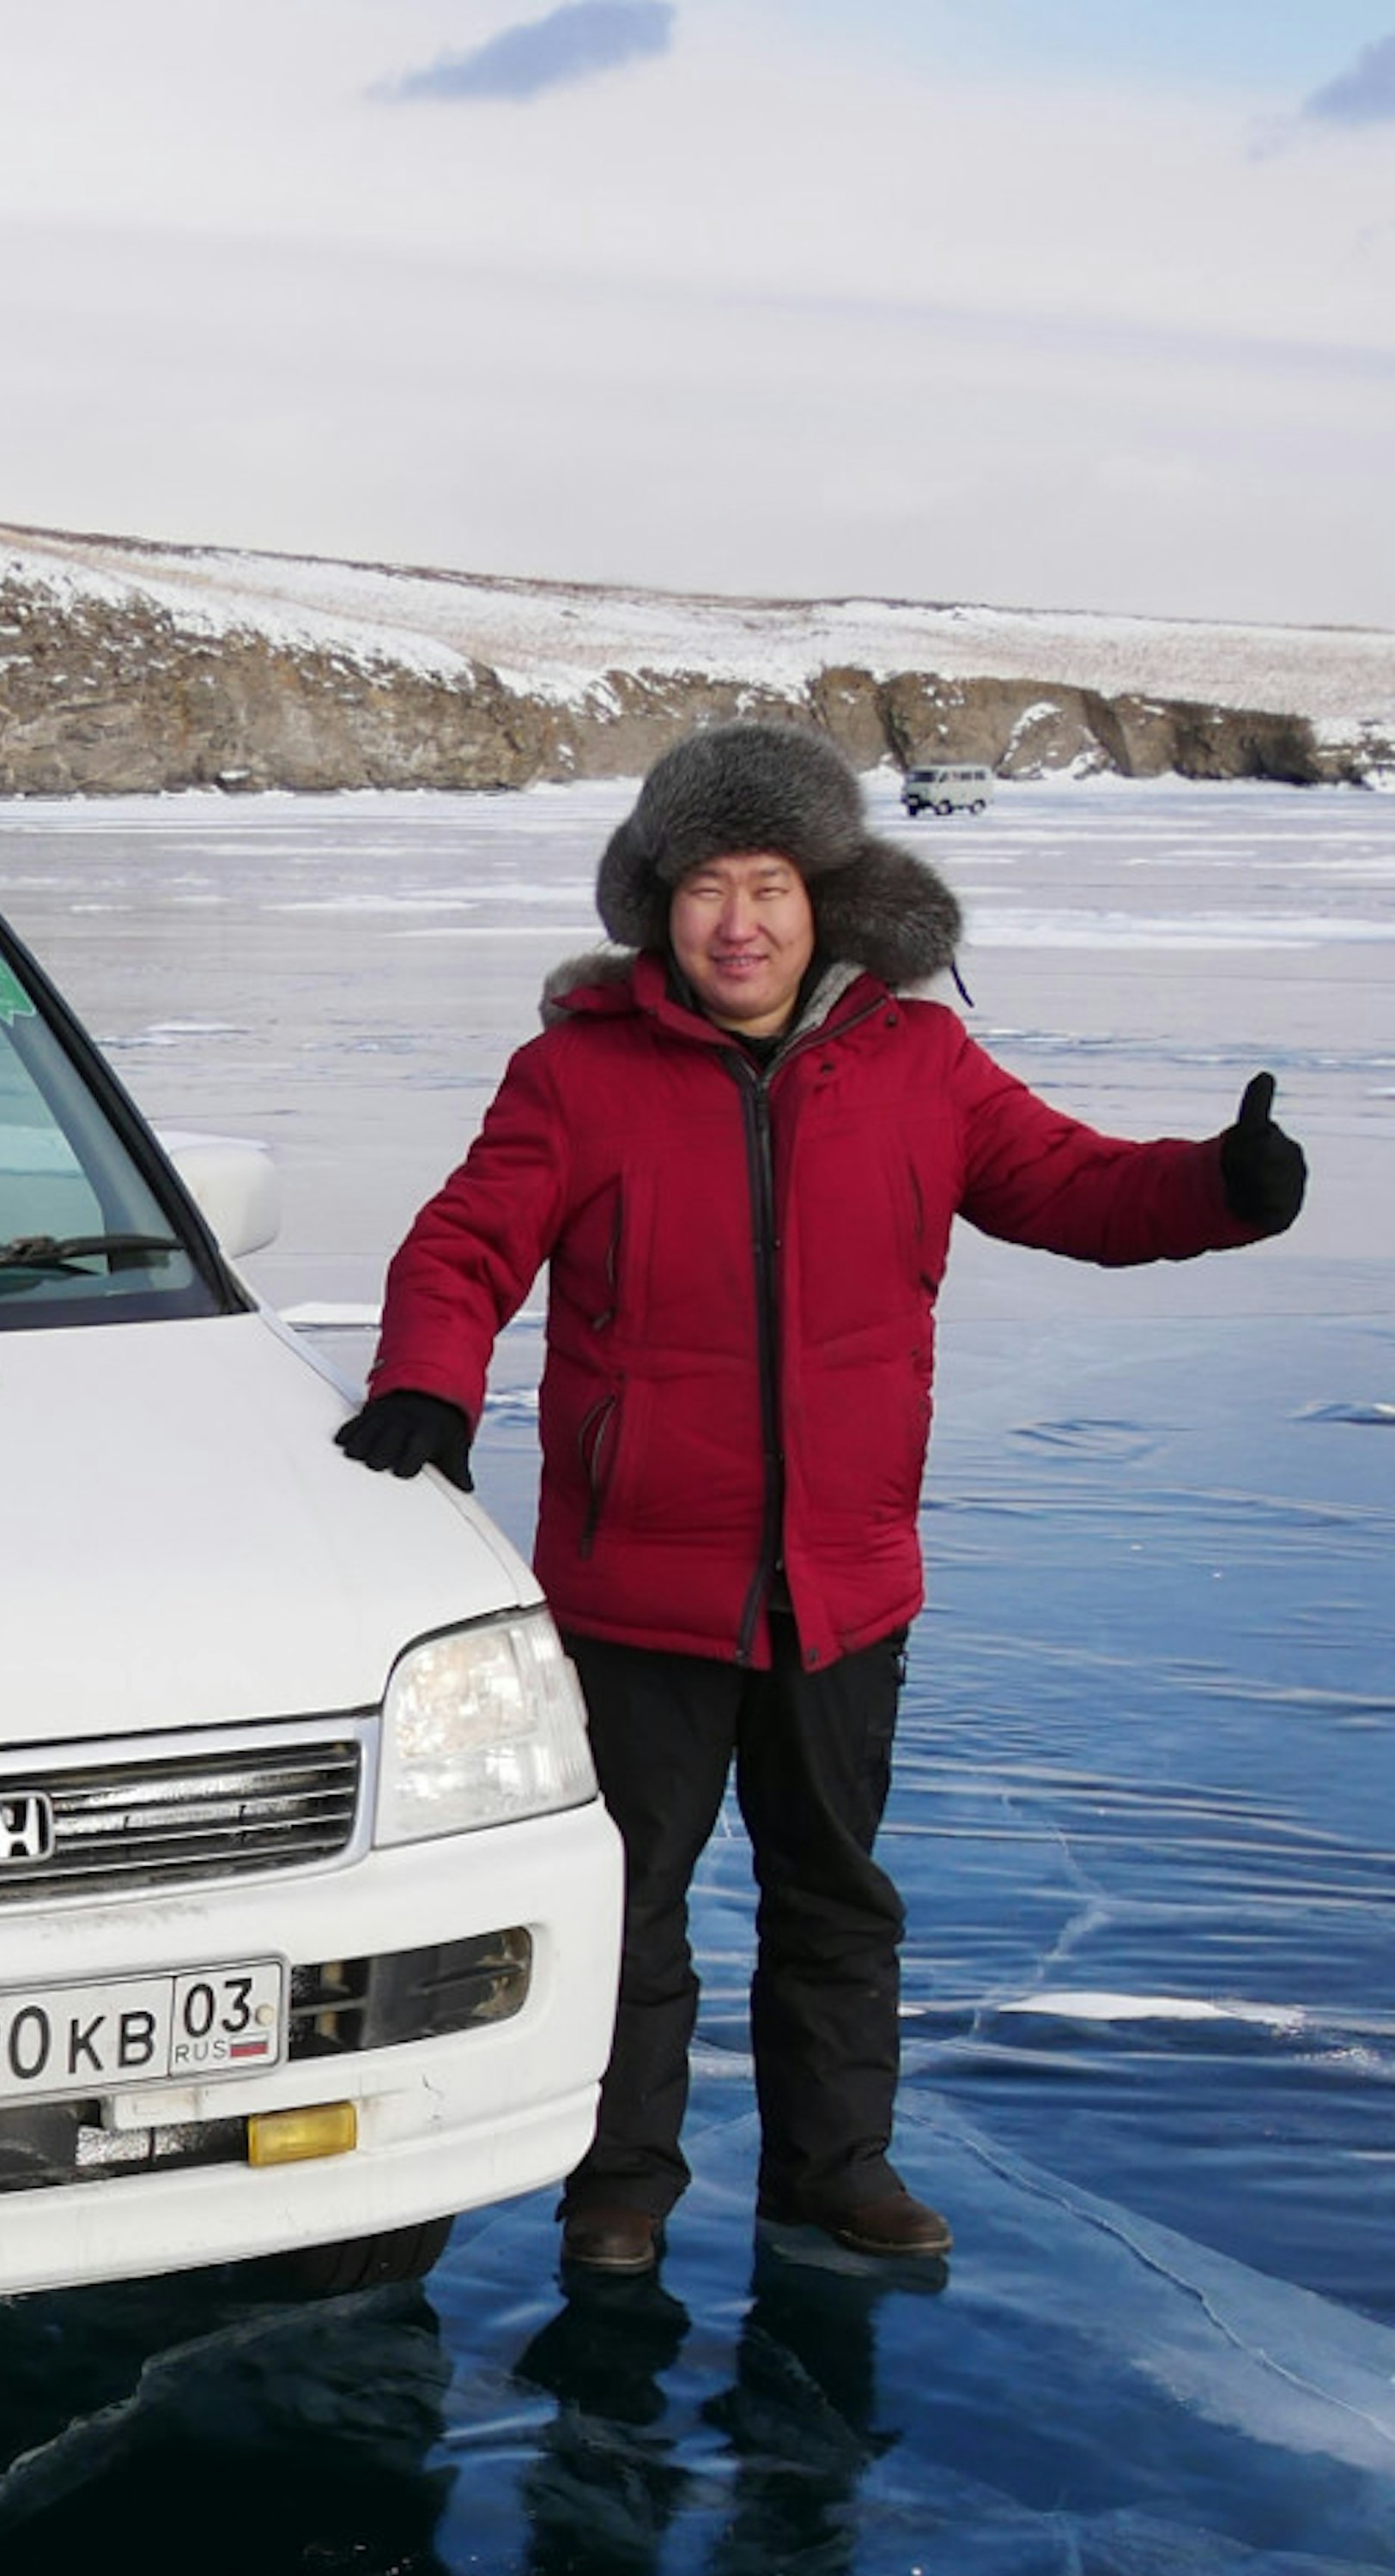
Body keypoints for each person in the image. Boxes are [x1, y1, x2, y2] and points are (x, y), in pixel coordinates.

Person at [339, 724, 1307, 2278]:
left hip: (842, 1581)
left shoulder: (918, 1064)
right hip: (635, 1582)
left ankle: (836, 2171)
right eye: (707, 886)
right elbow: (464, 1247)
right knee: (635, 1905)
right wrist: (428, 1383)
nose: (739, 921)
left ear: (826, 900)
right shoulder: (578, 1075)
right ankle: (622, 2185)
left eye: (770, 885)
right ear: (658, 908)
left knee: (836, 1898)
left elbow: (1074, 1186)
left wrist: (1219, 1188)